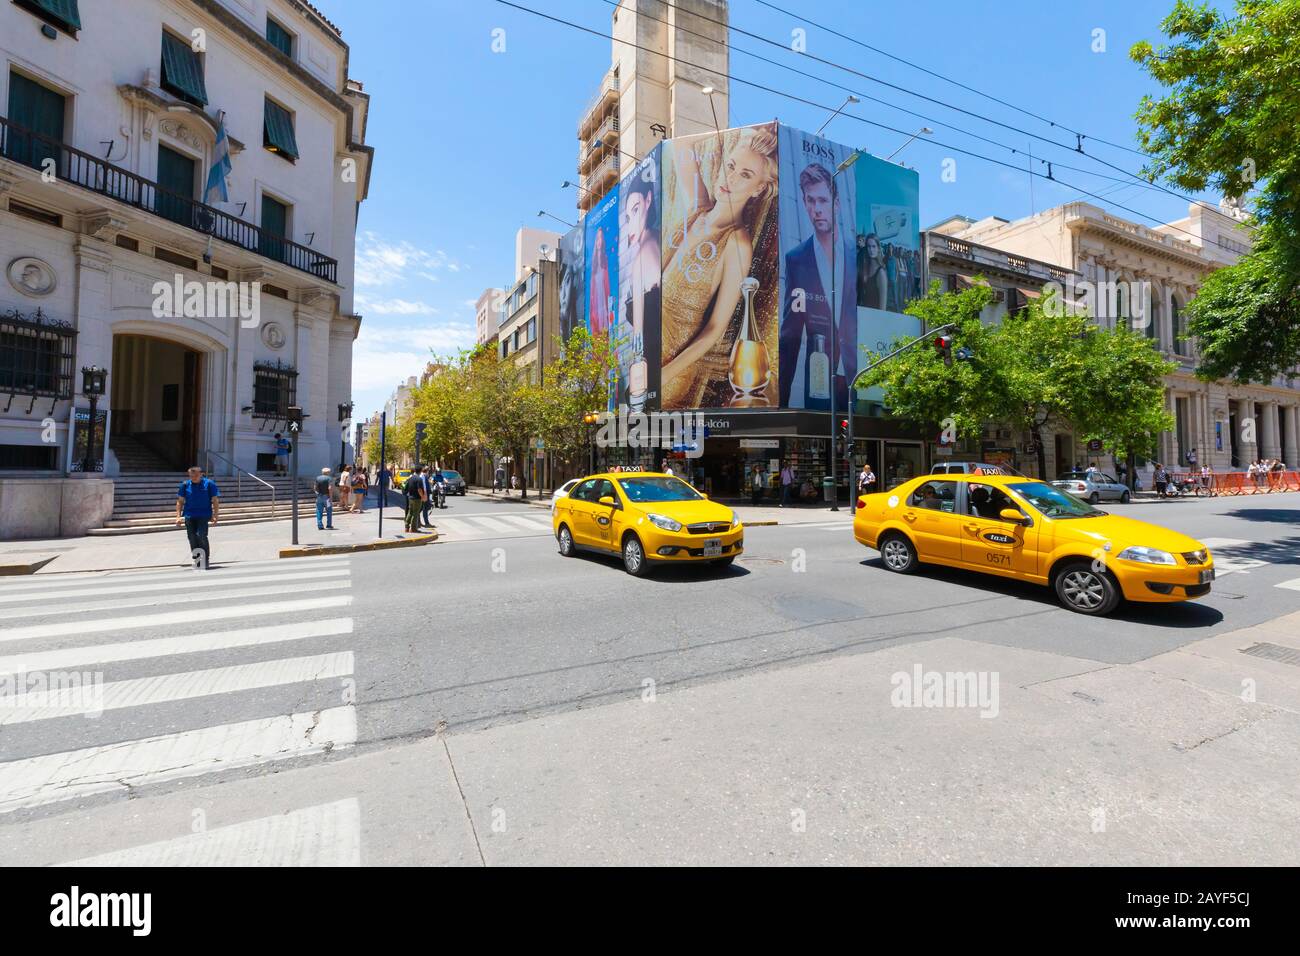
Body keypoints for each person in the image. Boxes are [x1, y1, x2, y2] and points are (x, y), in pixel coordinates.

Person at [660, 123, 780, 408]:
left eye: (746, 174)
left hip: (672, 363)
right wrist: (727, 134)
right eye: (731, 165)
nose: (731, 177)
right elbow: (680, 146)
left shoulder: (737, 243)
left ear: (759, 188)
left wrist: (663, 374)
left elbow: (715, 328)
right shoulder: (699, 209)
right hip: (647, 350)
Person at [778, 162, 857, 410]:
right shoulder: (796, 259)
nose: (817, 209)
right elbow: (790, 335)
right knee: (823, 444)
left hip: (862, 378)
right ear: (803, 203)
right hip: (821, 378)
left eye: (823, 200)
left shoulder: (858, 257)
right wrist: (780, 402)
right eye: (810, 201)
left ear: (836, 204)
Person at [175, 465, 220, 568]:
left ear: (201, 474)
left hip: (204, 515)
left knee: (201, 536)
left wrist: (215, 515)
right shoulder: (185, 485)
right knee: (192, 537)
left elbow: (215, 500)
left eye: (195, 476)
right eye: (191, 476)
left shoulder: (209, 484)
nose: (193, 478)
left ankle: (205, 560)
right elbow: (180, 501)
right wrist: (178, 516)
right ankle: (197, 559)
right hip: (189, 515)